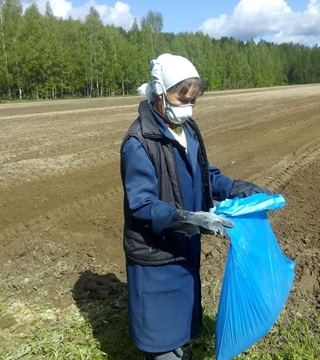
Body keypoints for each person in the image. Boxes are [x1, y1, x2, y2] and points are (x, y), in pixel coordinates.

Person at [120, 53, 271, 360]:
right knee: (159, 328)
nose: (187, 106)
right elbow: (142, 205)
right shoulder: (139, 142)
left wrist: (233, 188)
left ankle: (178, 349)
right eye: (181, 97)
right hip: (155, 250)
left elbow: (203, 173)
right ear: (160, 92)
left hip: (183, 243)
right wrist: (191, 220)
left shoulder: (187, 129)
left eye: (194, 100)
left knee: (180, 315)